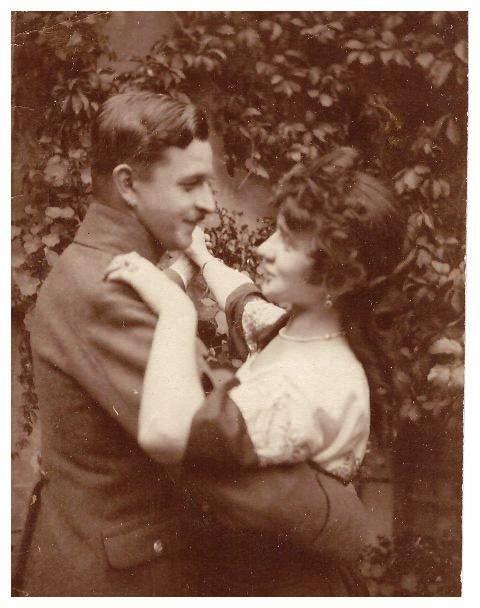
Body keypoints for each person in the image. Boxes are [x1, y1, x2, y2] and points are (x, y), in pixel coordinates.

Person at [16, 93, 372, 597]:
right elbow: (206, 440)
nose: (209, 204)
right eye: (190, 184)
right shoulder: (110, 289)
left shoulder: (117, 268)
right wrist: (346, 521)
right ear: (129, 185)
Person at [104, 146, 404, 595]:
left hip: (285, 585)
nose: (264, 248)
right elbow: (244, 302)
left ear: (339, 279)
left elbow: (167, 434)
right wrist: (201, 257)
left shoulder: (309, 382)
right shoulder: (302, 330)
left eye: (287, 242)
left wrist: (175, 309)